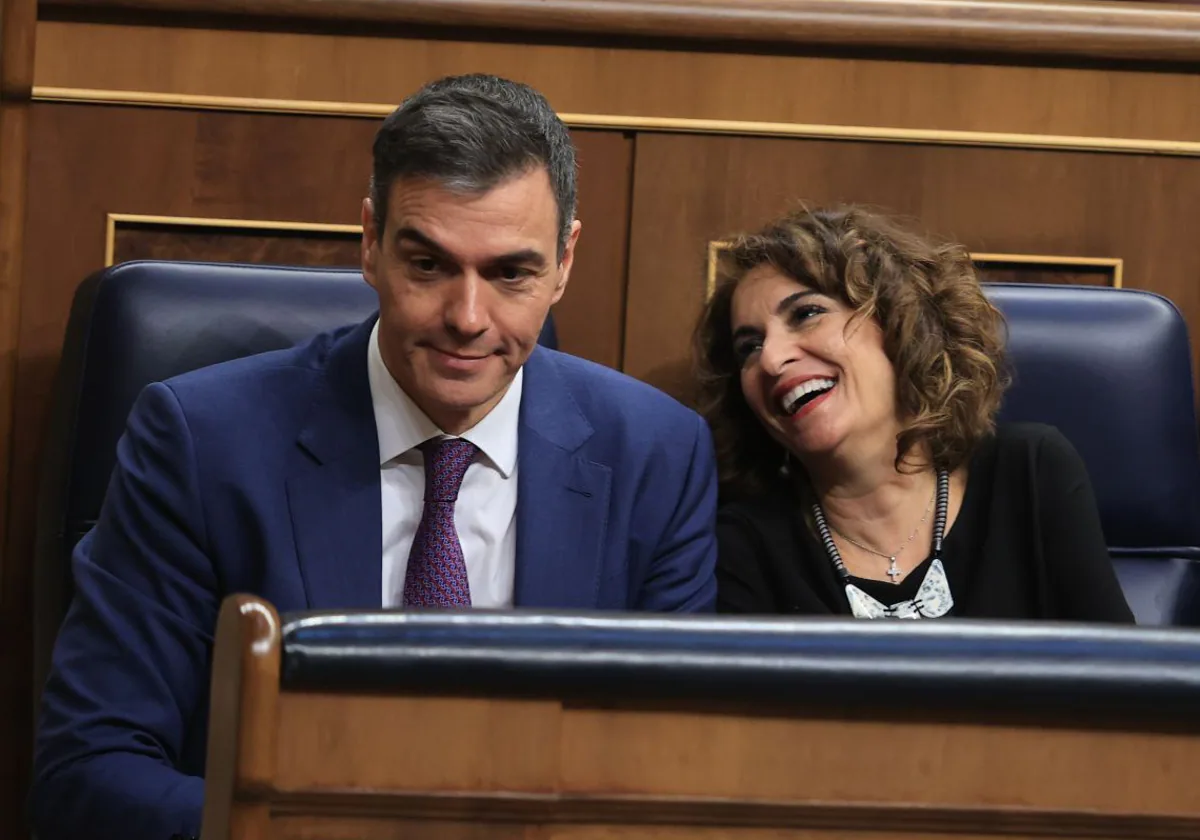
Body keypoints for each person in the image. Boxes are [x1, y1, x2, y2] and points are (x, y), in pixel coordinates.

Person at [32, 74, 718, 840]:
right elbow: (89, 770)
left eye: (510, 273)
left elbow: (673, 779)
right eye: (428, 265)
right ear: (370, 243)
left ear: (565, 261)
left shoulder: (657, 455)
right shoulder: (201, 442)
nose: (466, 318)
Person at [694, 205, 1133, 623]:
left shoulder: (1030, 474)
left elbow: (1123, 685)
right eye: (748, 347)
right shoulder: (744, 540)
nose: (771, 359)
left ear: (901, 323)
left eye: (807, 314)